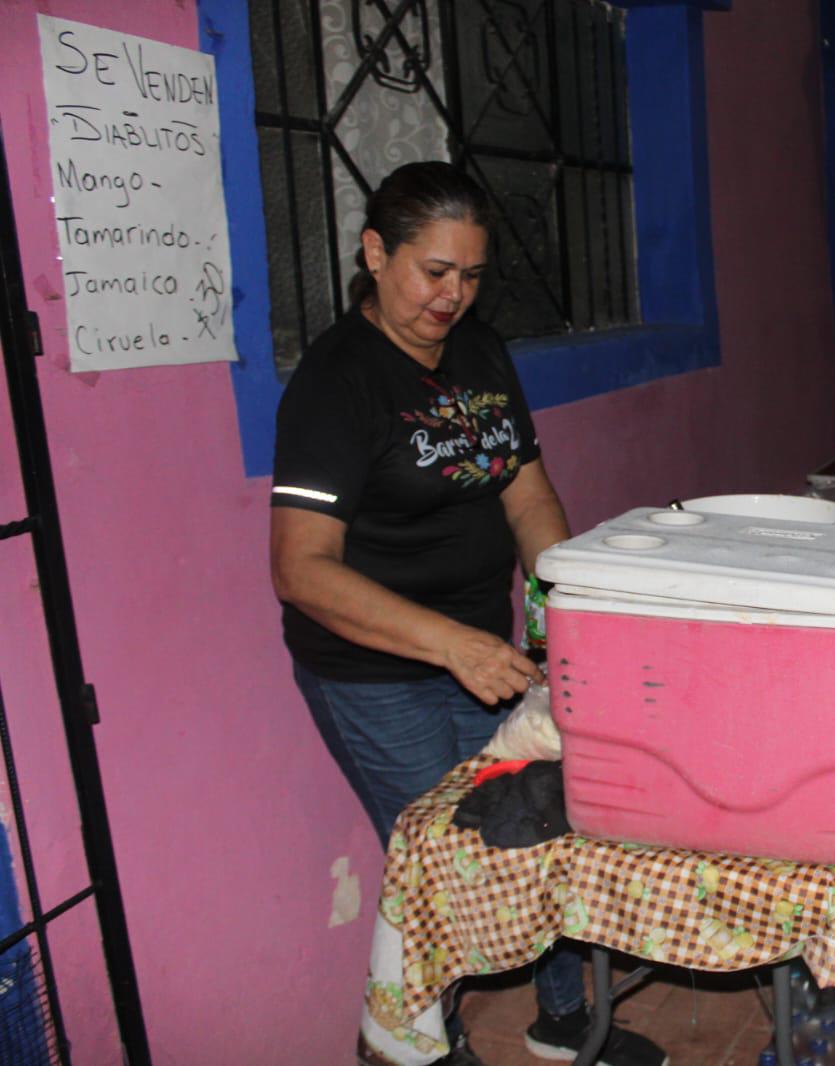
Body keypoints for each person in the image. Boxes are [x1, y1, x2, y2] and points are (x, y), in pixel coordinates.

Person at [270, 162, 666, 1066]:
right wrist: (452, 645)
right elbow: (300, 570)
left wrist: (565, 608)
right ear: (376, 253)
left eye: (473, 276)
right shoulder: (337, 382)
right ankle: (429, 1048)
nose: (452, 296)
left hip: (484, 648)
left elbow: (527, 494)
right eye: (435, 271)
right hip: (378, 671)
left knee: (542, 822)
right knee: (449, 865)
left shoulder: (479, 351)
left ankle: (563, 1018)